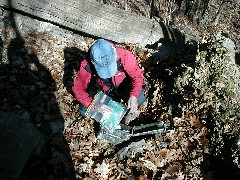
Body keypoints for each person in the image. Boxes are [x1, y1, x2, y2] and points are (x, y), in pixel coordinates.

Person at [72, 39, 147, 119]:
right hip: (103, 88)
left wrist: (134, 95)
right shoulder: (87, 64)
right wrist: (95, 105)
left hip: (123, 85)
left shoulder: (124, 55)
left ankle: (123, 112)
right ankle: (109, 113)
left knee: (140, 98)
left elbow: (137, 75)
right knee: (84, 110)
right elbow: (78, 89)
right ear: (93, 62)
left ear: (114, 54)